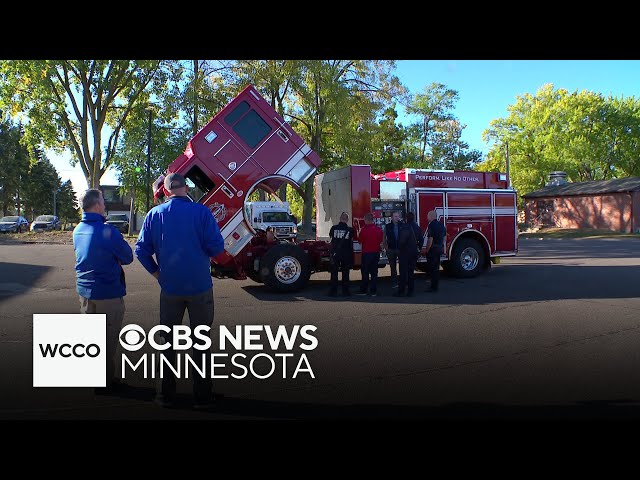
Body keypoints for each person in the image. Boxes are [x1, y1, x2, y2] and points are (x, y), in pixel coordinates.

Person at [135, 172, 225, 410]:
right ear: (186, 188)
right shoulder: (202, 212)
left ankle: (165, 396)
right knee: (201, 342)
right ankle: (202, 397)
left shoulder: (154, 215)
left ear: (165, 191)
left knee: (167, 342)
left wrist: (157, 274)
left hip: (170, 288)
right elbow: (217, 246)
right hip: (199, 287)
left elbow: (141, 251)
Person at [73, 188, 133, 394]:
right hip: (108, 292)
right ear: (96, 205)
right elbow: (127, 257)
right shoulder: (108, 231)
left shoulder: (77, 230)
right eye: (103, 201)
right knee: (107, 340)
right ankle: (105, 383)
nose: (105, 204)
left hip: (85, 293)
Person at [393, 211, 423, 298]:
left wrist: (399, 249)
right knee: (411, 273)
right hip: (414, 253)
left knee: (403, 273)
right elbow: (421, 240)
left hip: (405, 253)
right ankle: (411, 291)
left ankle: (401, 291)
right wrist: (418, 249)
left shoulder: (406, 227)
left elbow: (402, 241)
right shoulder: (417, 227)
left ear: (406, 218)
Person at [328, 211, 354, 297]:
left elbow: (331, 237)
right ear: (347, 220)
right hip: (346, 254)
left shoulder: (333, 228)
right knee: (345, 273)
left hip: (335, 254)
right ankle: (345, 291)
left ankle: (333, 291)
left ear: (340, 218)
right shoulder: (350, 230)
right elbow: (351, 241)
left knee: (334, 273)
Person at [358, 212, 384, 297]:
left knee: (365, 273)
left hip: (366, 254)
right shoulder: (379, 230)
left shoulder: (364, 230)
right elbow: (381, 242)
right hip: (376, 253)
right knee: (374, 273)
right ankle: (373, 291)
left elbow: (360, 241)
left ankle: (363, 290)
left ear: (366, 220)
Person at [421, 210, 447, 292]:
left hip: (433, 250)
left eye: (428, 216)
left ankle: (433, 287)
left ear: (431, 216)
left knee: (432, 269)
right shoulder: (441, 225)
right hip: (439, 248)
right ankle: (436, 286)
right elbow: (445, 238)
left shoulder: (431, 225)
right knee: (436, 268)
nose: (427, 218)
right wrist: (441, 245)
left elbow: (430, 239)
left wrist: (427, 250)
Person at [383, 211, 402, 289]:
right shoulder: (387, 226)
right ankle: (394, 283)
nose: (397, 218)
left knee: (402, 266)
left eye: (398, 216)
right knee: (392, 267)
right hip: (391, 249)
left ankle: (402, 282)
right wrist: (386, 247)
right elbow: (384, 237)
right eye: (395, 216)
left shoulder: (402, 225)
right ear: (391, 217)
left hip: (401, 249)